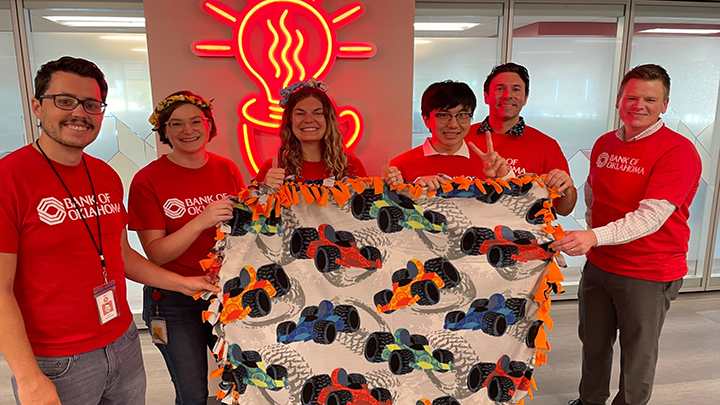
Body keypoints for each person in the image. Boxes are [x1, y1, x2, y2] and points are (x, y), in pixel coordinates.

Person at [0, 56, 218, 405]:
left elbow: (120, 255)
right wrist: (28, 378)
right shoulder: (9, 179)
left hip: (124, 342)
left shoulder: (105, 175)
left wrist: (187, 284)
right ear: (37, 107)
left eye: (91, 104)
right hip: (59, 360)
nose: (79, 113)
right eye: (65, 101)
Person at [552, 64, 701, 405]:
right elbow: (593, 195)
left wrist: (592, 237)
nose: (639, 105)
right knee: (593, 342)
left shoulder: (677, 152)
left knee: (637, 354)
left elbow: (651, 217)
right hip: (601, 265)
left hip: (648, 271)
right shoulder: (605, 142)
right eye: (631, 97)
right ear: (619, 99)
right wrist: (592, 237)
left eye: (650, 99)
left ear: (665, 104)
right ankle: (589, 401)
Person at [128, 91, 245, 405]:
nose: (188, 130)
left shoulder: (227, 169)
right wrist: (200, 220)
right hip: (172, 301)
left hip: (223, 293)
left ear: (209, 125)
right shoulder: (146, 181)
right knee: (193, 393)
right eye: (175, 124)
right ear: (164, 131)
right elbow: (157, 254)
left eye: (196, 121)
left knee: (241, 384)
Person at [467, 63, 577, 215]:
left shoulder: (546, 145)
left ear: (525, 98)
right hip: (465, 234)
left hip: (523, 236)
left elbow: (564, 210)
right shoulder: (462, 138)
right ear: (486, 96)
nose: (507, 95)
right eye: (500, 88)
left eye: (516, 89)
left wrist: (568, 187)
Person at [386, 80, 510, 190]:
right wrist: (413, 190)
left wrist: (503, 177)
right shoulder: (401, 165)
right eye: (444, 115)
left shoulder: (488, 163)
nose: (453, 124)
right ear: (426, 119)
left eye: (462, 115)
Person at [255, 79, 367, 187]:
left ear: (328, 120)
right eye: (300, 114)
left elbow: (371, 205)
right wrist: (265, 192)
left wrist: (384, 186)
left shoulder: (352, 167)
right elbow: (251, 206)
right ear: (289, 121)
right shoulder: (272, 171)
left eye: (317, 113)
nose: (309, 119)